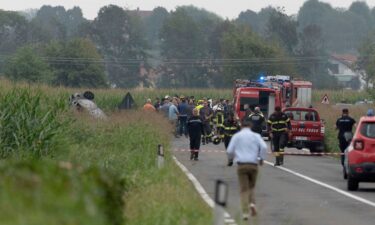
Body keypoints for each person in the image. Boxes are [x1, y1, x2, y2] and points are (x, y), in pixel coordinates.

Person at [227, 119, 267, 220]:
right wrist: (261, 159)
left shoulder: (237, 136)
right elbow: (264, 147)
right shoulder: (256, 136)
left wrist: (231, 159)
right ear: (250, 126)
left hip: (241, 165)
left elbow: (229, 150)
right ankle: (252, 204)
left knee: (244, 189)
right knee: (251, 187)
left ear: (241, 126)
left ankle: (245, 212)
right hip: (253, 165)